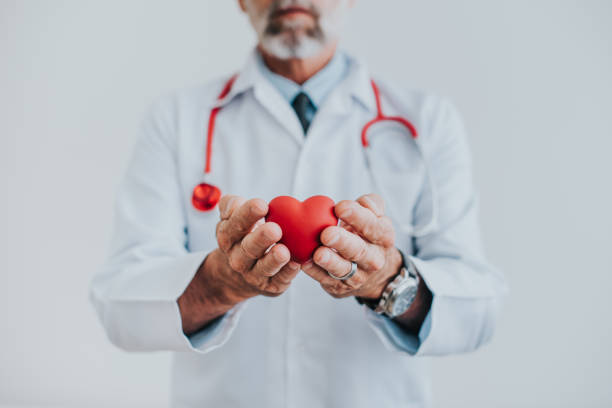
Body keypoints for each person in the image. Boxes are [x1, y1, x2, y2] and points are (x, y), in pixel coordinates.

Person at [90, 0, 507, 406]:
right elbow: (121, 308)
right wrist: (221, 283)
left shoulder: (428, 121)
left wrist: (386, 280)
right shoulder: (176, 120)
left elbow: (477, 313)